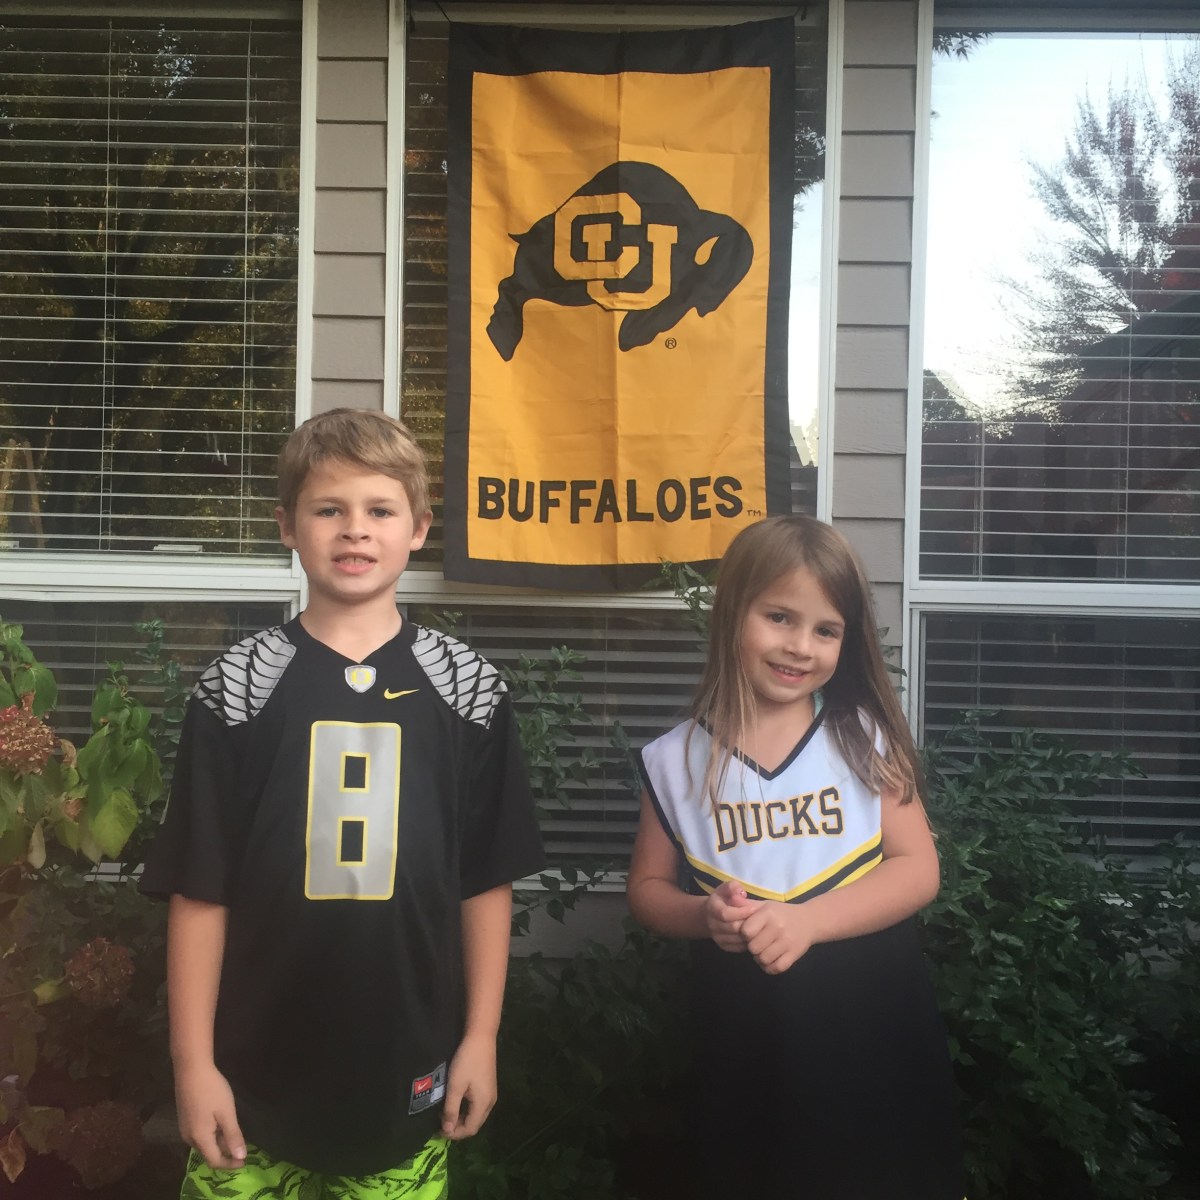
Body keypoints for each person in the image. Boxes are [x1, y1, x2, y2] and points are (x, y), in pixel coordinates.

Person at [140, 408, 545, 1200]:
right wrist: (193, 1065)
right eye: (329, 508)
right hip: (252, 1076)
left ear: (419, 528)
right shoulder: (236, 689)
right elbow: (199, 889)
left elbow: (485, 880)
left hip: (406, 1067)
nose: (355, 529)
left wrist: (482, 1037)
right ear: (287, 526)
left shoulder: (468, 690)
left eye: (380, 510)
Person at [628, 514, 964, 1199]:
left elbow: (918, 870)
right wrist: (702, 916)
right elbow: (648, 887)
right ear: (733, 612)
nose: (800, 646)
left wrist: (808, 921)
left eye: (826, 630)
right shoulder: (674, 759)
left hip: (872, 1029)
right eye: (779, 617)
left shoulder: (863, 738)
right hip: (745, 1039)